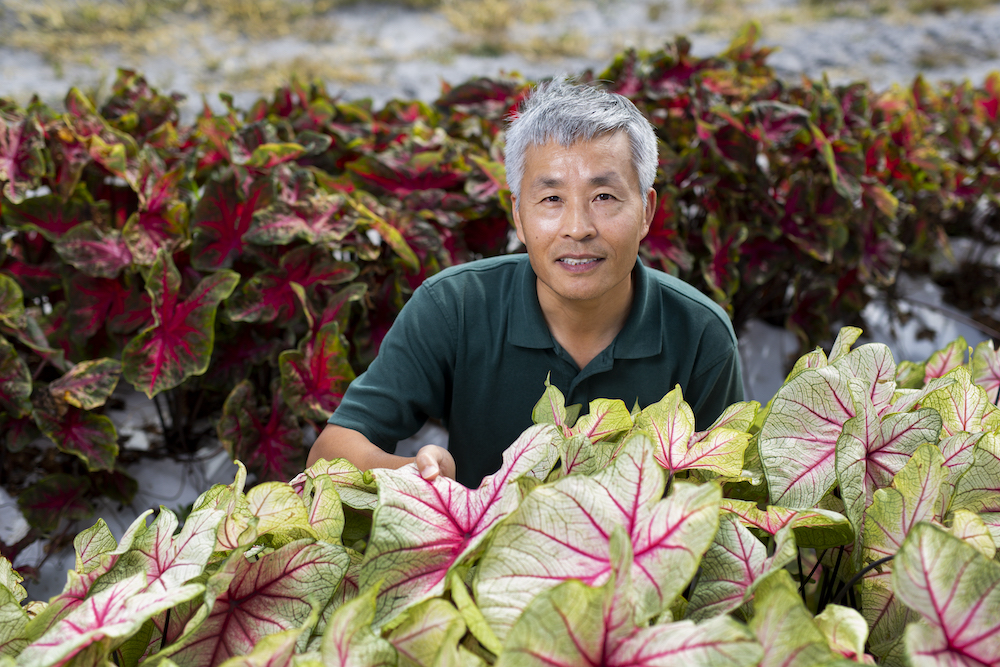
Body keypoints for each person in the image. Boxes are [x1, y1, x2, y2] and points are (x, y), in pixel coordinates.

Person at [307, 78, 743, 487]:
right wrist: (416, 473)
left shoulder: (699, 334)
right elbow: (329, 454)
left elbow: (721, 494)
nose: (578, 227)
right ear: (518, 214)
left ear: (646, 211)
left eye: (604, 197)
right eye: (551, 199)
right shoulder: (453, 307)